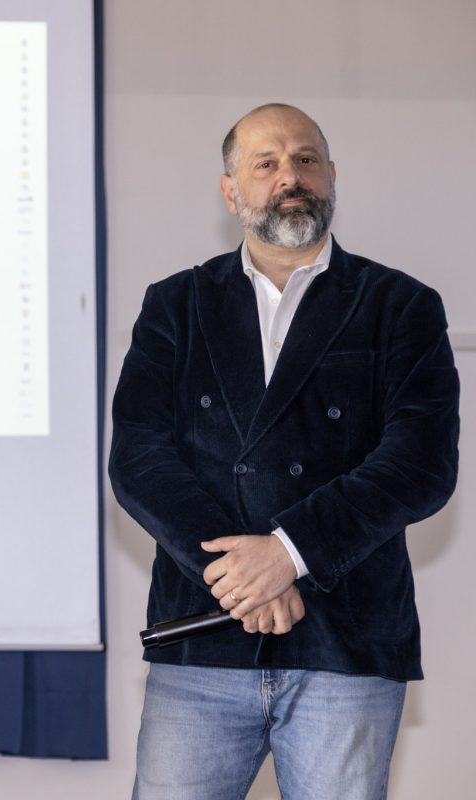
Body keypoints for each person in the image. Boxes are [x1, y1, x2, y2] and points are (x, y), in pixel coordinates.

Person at [109, 103, 459, 800]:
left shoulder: (401, 305)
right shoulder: (176, 304)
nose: (289, 177)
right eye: (265, 163)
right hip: (203, 638)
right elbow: (140, 460)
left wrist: (289, 554)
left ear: (332, 175)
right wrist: (243, 577)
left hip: (347, 644)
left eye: (305, 160)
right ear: (230, 191)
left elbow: (419, 463)